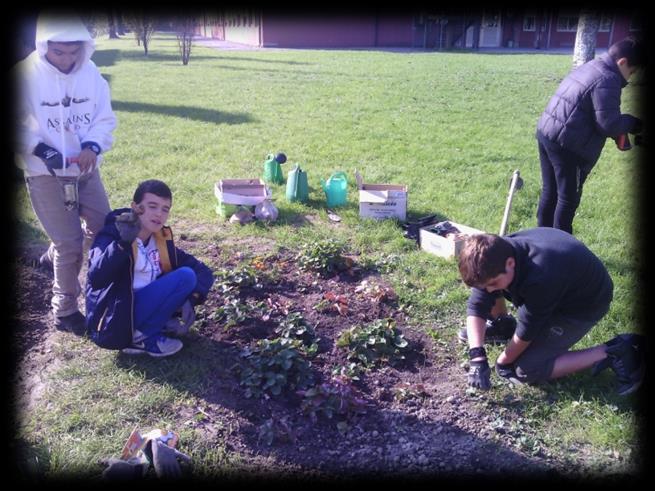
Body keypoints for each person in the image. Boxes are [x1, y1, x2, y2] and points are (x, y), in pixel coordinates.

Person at [13, 12, 117, 335]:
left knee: (103, 227)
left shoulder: (91, 73)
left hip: (84, 170)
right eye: (59, 52)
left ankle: (54, 255)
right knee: (70, 243)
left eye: (74, 51)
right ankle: (66, 310)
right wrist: (41, 149)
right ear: (44, 44)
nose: (67, 59)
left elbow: (104, 117)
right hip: (43, 174)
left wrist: (93, 146)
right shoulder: (25, 75)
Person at [458, 228, 644, 396]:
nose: (489, 290)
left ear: (510, 263)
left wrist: (503, 361)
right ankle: (503, 325)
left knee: (526, 369)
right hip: (559, 285)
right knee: (490, 288)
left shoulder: (539, 278)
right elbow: (477, 305)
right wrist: (477, 356)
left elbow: (527, 331)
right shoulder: (495, 255)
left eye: (493, 284)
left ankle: (616, 351)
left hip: (583, 305)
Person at [86, 179, 214, 357]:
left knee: (188, 276)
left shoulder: (160, 239)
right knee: (185, 276)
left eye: (165, 209)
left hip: (141, 306)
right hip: (114, 318)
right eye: (152, 206)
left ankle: (145, 331)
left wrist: (191, 299)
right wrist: (122, 244)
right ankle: (145, 337)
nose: (159, 214)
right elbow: (96, 278)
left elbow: (203, 271)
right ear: (136, 207)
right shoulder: (113, 233)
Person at [535, 36, 645, 235]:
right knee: (568, 199)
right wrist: (633, 123)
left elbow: (598, 114)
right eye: (632, 72)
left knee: (550, 191)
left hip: (547, 132)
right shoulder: (609, 78)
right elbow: (608, 124)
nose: (629, 78)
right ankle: (561, 248)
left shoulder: (593, 65)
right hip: (567, 145)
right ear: (622, 63)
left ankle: (540, 239)